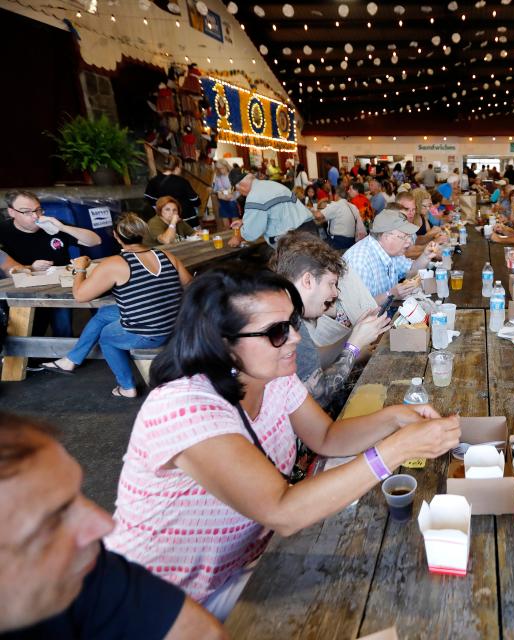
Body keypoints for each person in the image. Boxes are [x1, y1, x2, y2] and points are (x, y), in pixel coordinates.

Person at [104, 265, 461, 620]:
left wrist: (396, 417)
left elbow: (326, 437)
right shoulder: (186, 406)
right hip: (165, 601)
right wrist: (398, 447)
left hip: (245, 566)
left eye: (292, 323)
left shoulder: (271, 376)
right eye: (276, 332)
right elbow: (283, 512)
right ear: (222, 343)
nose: (295, 338)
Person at [0, 412, 224, 639]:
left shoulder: (82, 570)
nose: (105, 524)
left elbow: (203, 633)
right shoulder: (182, 409)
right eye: (53, 521)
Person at [40, 214, 191, 398]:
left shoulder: (115, 263)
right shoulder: (166, 255)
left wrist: (80, 268)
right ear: (143, 233)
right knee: (105, 314)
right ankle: (71, 360)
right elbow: (189, 284)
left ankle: (127, 387)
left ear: (116, 236)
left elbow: (80, 295)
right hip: (175, 324)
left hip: (152, 334)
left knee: (106, 337)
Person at [271, 234, 391, 410]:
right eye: (331, 284)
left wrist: (355, 333)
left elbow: (313, 357)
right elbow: (320, 396)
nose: (335, 293)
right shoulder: (279, 320)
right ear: (308, 280)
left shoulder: (289, 310)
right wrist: (354, 346)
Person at [0, 190, 102, 338]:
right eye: (26, 212)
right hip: (23, 290)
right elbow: (6, 265)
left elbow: (95, 241)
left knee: (63, 329)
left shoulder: (52, 225)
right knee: (29, 331)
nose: (35, 216)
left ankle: (63, 359)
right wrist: (31, 267)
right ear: (12, 212)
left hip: (59, 287)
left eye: (38, 210)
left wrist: (62, 227)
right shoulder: (3, 231)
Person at [342, 210, 441, 304]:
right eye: (404, 237)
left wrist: (426, 256)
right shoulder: (360, 262)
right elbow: (358, 308)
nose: (409, 242)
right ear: (386, 237)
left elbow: (411, 271)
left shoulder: (391, 251)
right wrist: (390, 295)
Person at [228, 171, 312, 247]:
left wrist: (238, 238)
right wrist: (244, 221)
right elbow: (277, 211)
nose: (242, 194)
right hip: (309, 228)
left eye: (239, 191)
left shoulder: (254, 196)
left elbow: (252, 233)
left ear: (241, 186)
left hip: (293, 239)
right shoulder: (272, 184)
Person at [306, 183, 364, 250]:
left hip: (337, 241)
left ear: (336, 195)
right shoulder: (353, 207)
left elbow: (318, 215)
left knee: (315, 247)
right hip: (351, 242)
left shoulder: (336, 205)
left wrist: (308, 210)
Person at [144, 156, 201, 225]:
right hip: (186, 219)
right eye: (181, 167)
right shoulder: (182, 181)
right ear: (177, 168)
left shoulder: (153, 181)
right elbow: (195, 200)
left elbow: (149, 199)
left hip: (165, 220)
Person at [212, 161, 239, 230]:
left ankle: (237, 238)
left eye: (222, 168)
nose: (221, 170)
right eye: (219, 169)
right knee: (226, 225)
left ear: (226, 166)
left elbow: (238, 187)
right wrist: (219, 192)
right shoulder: (218, 177)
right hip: (222, 201)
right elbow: (215, 189)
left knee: (235, 224)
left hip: (232, 201)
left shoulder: (233, 175)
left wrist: (232, 194)